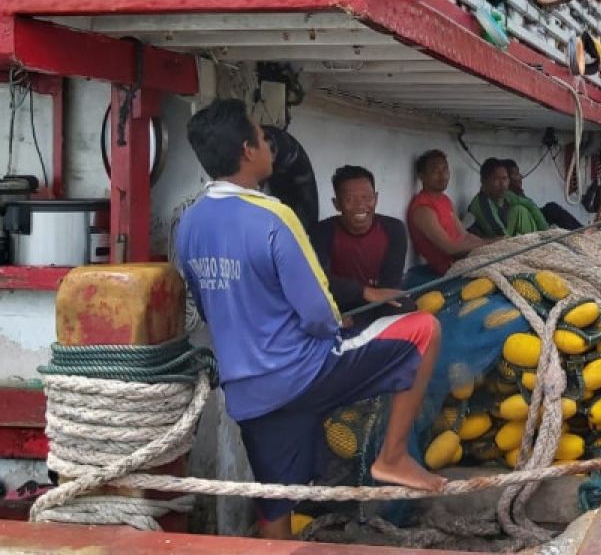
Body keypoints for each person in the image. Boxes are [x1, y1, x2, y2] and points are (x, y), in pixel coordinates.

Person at [174, 101, 444, 540]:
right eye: (263, 138)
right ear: (247, 150)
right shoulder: (274, 216)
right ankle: (392, 456)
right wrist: (337, 329)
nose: (268, 146)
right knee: (423, 330)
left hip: (245, 393)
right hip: (304, 372)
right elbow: (319, 314)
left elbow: (206, 308)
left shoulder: (189, 223)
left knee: (274, 506)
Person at [311, 165, 413, 320]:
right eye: (350, 199)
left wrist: (358, 317)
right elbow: (321, 280)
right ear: (336, 203)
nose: (360, 206)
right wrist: (363, 292)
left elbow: (389, 286)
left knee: (404, 306)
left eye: (367, 198)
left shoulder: (393, 229)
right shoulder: (322, 232)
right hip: (338, 304)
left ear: (376, 198)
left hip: (377, 303)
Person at [407, 149, 490, 275]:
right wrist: (485, 244)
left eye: (445, 169)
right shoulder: (423, 208)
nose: (443, 175)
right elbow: (449, 248)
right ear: (422, 176)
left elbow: (465, 235)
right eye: (435, 171)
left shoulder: (445, 200)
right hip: (452, 268)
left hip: (467, 257)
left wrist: (492, 244)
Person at [466, 157, 549, 238]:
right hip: (493, 244)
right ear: (484, 181)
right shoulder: (482, 202)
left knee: (520, 210)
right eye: (496, 179)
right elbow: (499, 235)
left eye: (505, 178)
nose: (502, 184)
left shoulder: (506, 195)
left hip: (508, 238)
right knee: (519, 210)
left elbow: (530, 204)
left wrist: (547, 232)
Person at [500, 158, 582, 230]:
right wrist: (545, 229)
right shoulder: (507, 196)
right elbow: (531, 208)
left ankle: (581, 230)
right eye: (516, 174)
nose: (520, 177)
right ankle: (581, 231)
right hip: (530, 224)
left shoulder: (516, 192)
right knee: (551, 208)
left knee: (550, 208)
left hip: (532, 220)